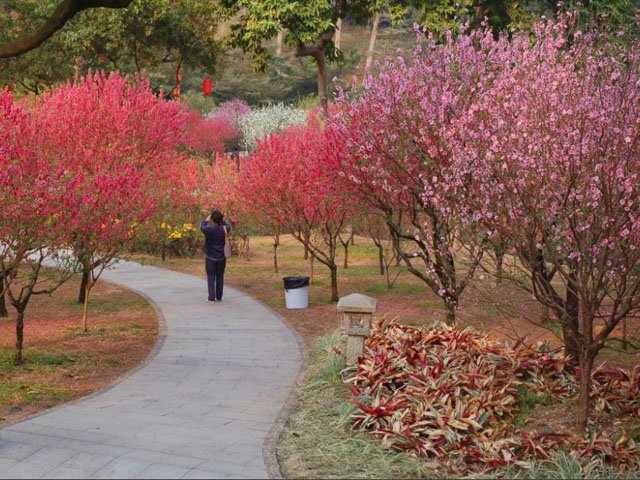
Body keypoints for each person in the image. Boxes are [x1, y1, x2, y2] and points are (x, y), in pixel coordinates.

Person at [200, 210, 230, 303]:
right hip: (221, 256)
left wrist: (206, 220)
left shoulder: (209, 229)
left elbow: (202, 227)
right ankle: (219, 297)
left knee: (211, 276)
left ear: (212, 220)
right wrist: (223, 220)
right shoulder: (225, 228)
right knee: (220, 276)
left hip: (210, 257)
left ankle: (211, 298)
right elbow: (227, 226)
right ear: (221, 219)